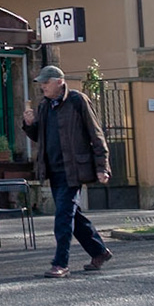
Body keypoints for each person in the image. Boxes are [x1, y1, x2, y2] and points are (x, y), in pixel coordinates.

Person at [22, 64, 113, 277]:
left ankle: (60, 263)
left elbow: (96, 134)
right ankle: (99, 251)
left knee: (63, 216)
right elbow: (39, 137)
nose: (43, 87)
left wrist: (102, 167)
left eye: (46, 82)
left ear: (59, 82)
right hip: (53, 170)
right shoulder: (45, 106)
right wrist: (29, 124)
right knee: (73, 216)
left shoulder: (77, 101)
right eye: (41, 83)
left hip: (73, 169)